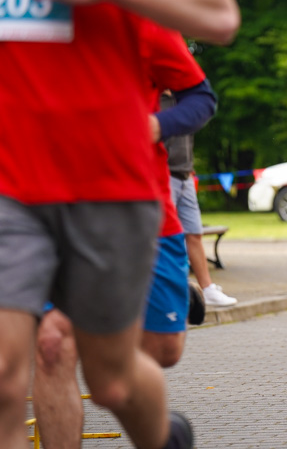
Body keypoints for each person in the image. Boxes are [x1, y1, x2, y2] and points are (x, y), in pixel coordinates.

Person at [0, 0, 240, 447]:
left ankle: (162, 438)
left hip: (108, 183)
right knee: (11, 373)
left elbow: (218, 15)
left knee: (111, 381)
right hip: (12, 184)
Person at [32, 22, 218, 447]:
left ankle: (160, 432)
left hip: (142, 204)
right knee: (52, 344)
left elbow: (201, 99)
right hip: (53, 203)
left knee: (159, 352)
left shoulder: (141, 23)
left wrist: (154, 126)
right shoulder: (29, 20)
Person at [161, 98, 238, 308]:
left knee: (194, 233)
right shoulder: (155, 99)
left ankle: (207, 289)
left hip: (185, 175)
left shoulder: (184, 98)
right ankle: (165, 290)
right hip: (163, 174)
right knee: (165, 234)